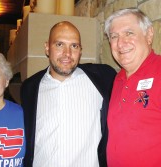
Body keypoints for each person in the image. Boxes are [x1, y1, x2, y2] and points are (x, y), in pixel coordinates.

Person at [20, 21, 116, 167]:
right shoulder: (30, 87)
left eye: (74, 46)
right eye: (59, 45)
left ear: (80, 50)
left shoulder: (103, 78)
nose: (67, 53)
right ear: (47, 48)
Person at [105, 8, 161, 167]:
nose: (120, 43)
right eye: (114, 36)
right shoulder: (118, 79)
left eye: (129, 33)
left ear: (149, 35)